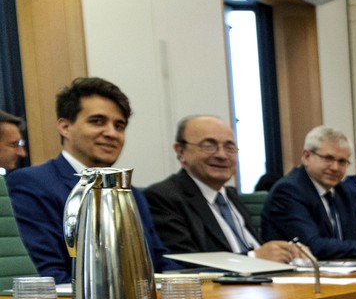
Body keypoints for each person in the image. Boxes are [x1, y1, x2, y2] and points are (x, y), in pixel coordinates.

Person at [9, 77, 174, 284]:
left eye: (119, 125)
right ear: (65, 127)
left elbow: (159, 261)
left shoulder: (131, 193)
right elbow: (47, 274)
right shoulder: (31, 184)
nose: (112, 133)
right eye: (97, 121)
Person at [144, 115, 299, 262]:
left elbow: (255, 247)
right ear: (181, 151)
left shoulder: (230, 195)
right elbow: (185, 265)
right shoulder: (163, 197)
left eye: (230, 147)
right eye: (209, 146)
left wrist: (288, 253)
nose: (222, 155)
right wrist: (254, 258)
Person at [261, 125, 356, 260]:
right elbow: (314, 246)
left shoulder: (341, 190)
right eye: (328, 158)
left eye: (342, 161)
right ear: (307, 156)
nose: (335, 167)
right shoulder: (288, 191)